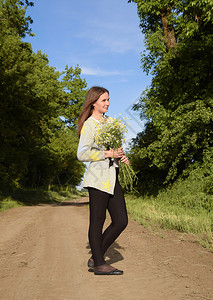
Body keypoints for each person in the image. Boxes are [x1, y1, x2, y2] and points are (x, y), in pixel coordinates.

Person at [77, 86, 129, 275]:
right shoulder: (89, 125)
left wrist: (120, 156)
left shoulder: (111, 122)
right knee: (97, 221)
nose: (108, 103)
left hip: (112, 177)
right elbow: (81, 154)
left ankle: (95, 256)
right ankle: (99, 263)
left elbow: (116, 148)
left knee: (121, 220)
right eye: (104, 100)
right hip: (98, 179)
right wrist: (107, 153)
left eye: (108, 100)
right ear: (93, 103)